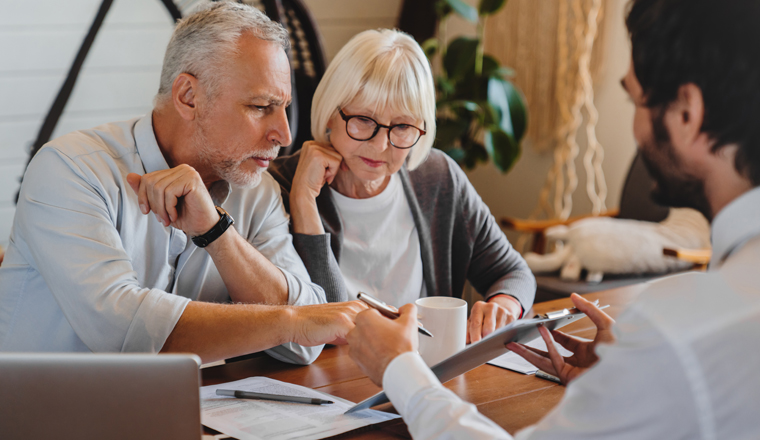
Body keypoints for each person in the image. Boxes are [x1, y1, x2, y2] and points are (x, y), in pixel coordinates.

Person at [346, 0, 760, 437]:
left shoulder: (680, 332)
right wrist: (622, 387)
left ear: (687, 113)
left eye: (634, 99)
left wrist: (400, 372)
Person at [0, 2, 366, 364]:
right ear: (188, 97)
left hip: (188, 414)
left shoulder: (258, 191)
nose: (283, 134)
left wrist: (217, 233)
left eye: (283, 107)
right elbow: (122, 332)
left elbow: (305, 345)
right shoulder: (70, 169)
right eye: (260, 106)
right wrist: (288, 321)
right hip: (42, 418)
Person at [269, 29, 536, 343]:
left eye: (403, 126)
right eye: (364, 119)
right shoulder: (280, 185)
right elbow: (320, 322)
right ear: (330, 112)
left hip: (422, 373)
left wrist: (504, 304)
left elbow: (513, 273)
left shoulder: (437, 177)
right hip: (327, 381)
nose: (381, 144)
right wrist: (303, 202)